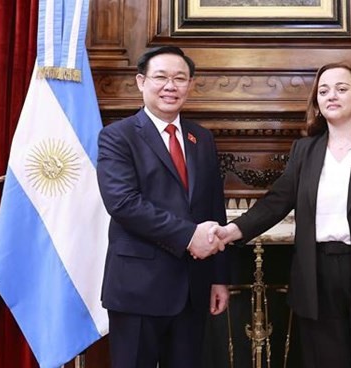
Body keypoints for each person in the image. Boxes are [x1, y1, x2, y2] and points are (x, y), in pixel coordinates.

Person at [210, 61, 351, 367]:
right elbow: (276, 202)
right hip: (316, 275)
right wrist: (232, 231)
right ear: (317, 103)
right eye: (323, 91)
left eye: (341, 88)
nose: (331, 96)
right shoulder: (305, 150)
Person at [96, 46, 229, 368]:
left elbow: (214, 207)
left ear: (190, 85)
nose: (171, 86)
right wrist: (188, 236)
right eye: (161, 77)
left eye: (180, 79)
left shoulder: (202, 138)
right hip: (138, 286)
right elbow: (123, 203)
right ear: (141, 82)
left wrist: (218, 277)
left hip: (193, 288)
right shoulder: (117, 136)